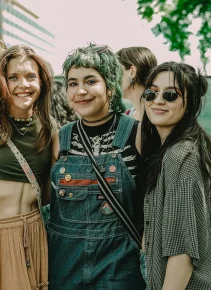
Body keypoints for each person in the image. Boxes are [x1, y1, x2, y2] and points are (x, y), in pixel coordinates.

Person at [47, 44, 145, 290]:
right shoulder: (61, 138)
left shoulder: (137, 134)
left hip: (119, 269)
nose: (80, 91)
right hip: (65, 267)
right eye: (72, 83)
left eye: (91, 81)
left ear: (110, 85)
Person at [0, 44, 57, 290]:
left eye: (31, 76)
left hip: (35, 232)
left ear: (42, 81)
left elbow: (48, 188)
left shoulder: (48, 127)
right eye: (13, 77)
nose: (23, 85)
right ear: (1, 81)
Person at [140, 62, 211, 290]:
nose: (157, 100)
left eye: (170, 95)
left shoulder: (181, 156)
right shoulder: (172, 149)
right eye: (151, 92)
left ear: (189, 104)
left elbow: (182, 254)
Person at [116, 47, 157, 120]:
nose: (110, 78)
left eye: (115, 71)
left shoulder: (159, 114)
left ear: (132, 72)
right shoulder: (128, 115)